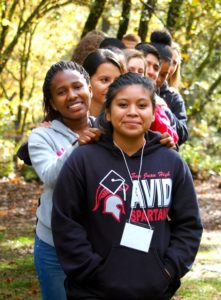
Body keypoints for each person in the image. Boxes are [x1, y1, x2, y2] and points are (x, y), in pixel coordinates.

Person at [52, 72, 203, 300]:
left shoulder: (171, 162)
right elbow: (66, 223)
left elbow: (189, 225)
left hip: (153, 289)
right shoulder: (83, 160)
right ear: (109, 113)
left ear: (153, 114)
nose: (132, 112)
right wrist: (92, 271)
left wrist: (168, 270)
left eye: (142, 105)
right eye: (123, 104)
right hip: (92, 290)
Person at [27, 61, 100, 300]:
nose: (71, 95)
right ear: (52, 102)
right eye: (61, 92)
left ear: (89, 89)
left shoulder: (109, 129)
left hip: (99, 241)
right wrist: (78, 145)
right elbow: (50, 175)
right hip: (54, 245)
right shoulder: (41, 136)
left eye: (77, 86)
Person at [150, 30, 188, 146]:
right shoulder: (123, 90)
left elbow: (183, 134)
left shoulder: (173, 97)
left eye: (163, 74)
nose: (157, 78)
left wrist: (165, 110)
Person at [83, 48, 125, 117]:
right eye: (105, 80)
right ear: (87, 80)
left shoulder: (125, 120)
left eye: (117, 80)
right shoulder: (71, 120)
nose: (112, 86)